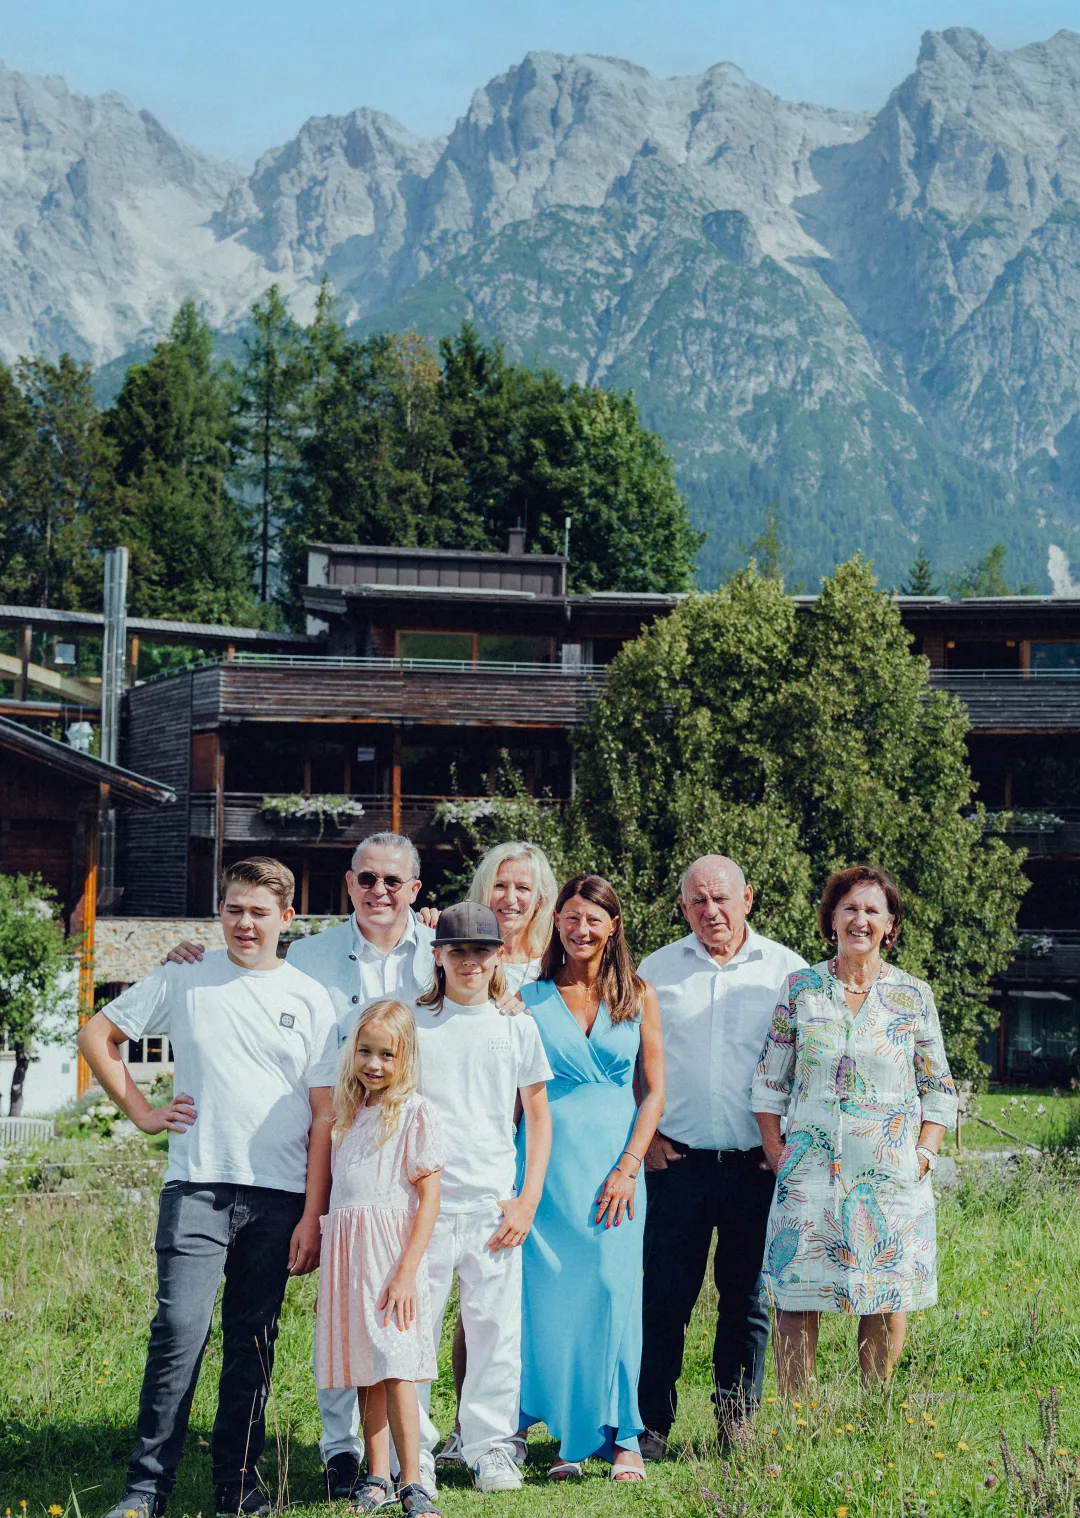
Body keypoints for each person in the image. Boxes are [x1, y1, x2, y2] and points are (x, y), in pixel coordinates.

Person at [165, 830, 436, 1500]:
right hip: (335, 1164)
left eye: (392, 882)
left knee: (400, 1327)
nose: (378, 891)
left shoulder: (436, 954)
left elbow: (485, 983)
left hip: (410, 1151)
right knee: (343, 1318)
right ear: (348, 884)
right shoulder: (310, 957)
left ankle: (415, 1463)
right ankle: (343, 1452)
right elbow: (248, 975)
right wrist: (188, 961)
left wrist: (507, 992)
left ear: (415, 891)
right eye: (366, 879)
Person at [79, 857, 339, 1518]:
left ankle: (238, 1487)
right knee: (178, 1331)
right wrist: (142, 1113)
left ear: (286, 918)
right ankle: (145, 1492)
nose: (244, 924)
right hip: (195, 1186)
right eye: (233, 910)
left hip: (278, 1197)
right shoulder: (185, 973)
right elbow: (97, 1035)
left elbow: (324, 1117)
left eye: (258, 912)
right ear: (219, 912)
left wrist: (313, 1214)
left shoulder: (309, 998)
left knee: (253, 1339)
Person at [751, 865, 958, 1392]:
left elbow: (938, 1088)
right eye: (849, 908)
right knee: (798, 1296)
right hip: (808, 1174)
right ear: (832, 919)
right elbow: (769, 1083)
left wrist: (923, 1156)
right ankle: (800, 1424)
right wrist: (777, 1152)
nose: (859, 919)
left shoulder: (913, 996)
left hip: (891, 1176)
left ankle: (875, 1418)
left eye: (872, 910)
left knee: (884, 1295)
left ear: (890, 925)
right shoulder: (800, 990)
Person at [636, 855, 807, 1455]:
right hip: (677, 1164)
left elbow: (808, 1066)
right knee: (664, 1297)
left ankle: (736, 1422)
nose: (712, 911)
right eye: (699, 901)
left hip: (754, 1168)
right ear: (683, 908)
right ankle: (651, 1424)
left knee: (747, 1300)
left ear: (748, 898)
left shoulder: (789, 972)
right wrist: (647, 1138)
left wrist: (784, 1144)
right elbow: (634, 1059)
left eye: (723, 898)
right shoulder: (655, 971)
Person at [516, 874, 665, 1482]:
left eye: (594, 920)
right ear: (557, 923)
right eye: (571, 918)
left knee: (613, 1291)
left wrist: (630, 1166)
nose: (581, 930)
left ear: (613, 927)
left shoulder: (638, 993)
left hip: (615, 1166)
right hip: (545, 1166)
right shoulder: (527, 997)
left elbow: (653, 1092)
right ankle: (569, 1442)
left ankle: (623, 1435)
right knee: (551, 1298)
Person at [422, 838, 558, 1471]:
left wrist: (526, 1199)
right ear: (439, 955)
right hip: (421, 1201)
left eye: (481, 951)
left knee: (495, 1333)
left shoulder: (516, 1024)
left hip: (494, 1201)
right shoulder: (410, 1023)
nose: (470, 961)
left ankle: (490, 1448)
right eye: (459, 951)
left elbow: (537, 1114)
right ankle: (414, 1451)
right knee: (415, 1331)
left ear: (498, 955)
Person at [315, 1000, 444, 1517]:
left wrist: (407, 1272)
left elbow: (430, 1197)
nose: (373, 1064)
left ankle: (412, 1480)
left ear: (405, 1057)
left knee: (397, 1366)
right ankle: (376, 1476)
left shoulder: (413, 1112)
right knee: (367, 1367)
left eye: (386, 1054)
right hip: (352, 1260)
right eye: (364, 1051)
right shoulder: (348, 1116)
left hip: (392, 1259)